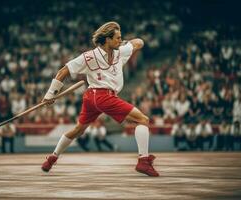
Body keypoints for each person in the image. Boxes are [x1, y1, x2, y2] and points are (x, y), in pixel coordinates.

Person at [41, 21, 159, 177]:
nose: (119, 40)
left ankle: (51, 159)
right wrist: (50, 94)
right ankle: (143, 162)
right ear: (107, 39)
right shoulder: (89, 57)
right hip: (104, 96)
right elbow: (64, 71)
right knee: (142, 120)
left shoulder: (120, 51)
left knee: (78, 130)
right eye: (117, 37)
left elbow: (139, 42)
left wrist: (126, 43)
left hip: (91, 97)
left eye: (120, 37)